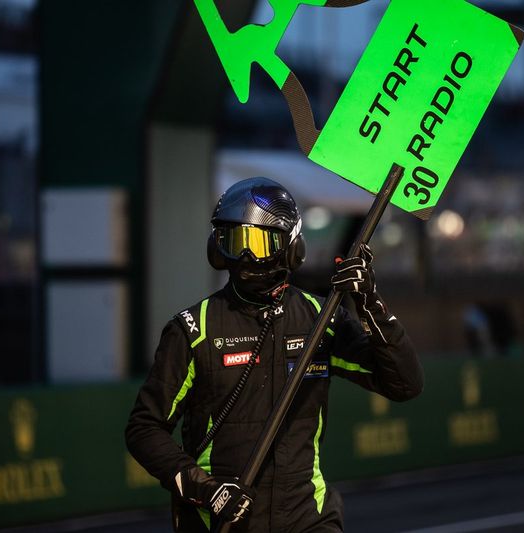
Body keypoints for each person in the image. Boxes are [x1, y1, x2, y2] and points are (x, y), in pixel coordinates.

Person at [126, 177, 424, 532]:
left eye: (260, 242)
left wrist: (371, 305)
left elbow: (405, 383)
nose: (248, 256)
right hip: (221, 522)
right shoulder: (194, 329)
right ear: (217, 248)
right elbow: (144, 429)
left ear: (291, 247)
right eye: (235, 242)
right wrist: (205, 490)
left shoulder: (320, 318)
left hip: (307, 519)